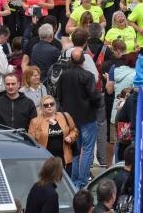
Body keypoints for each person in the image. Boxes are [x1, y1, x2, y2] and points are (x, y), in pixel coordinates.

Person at [55, 47, 101, 189]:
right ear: (83, 60)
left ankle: (74, 180)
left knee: (75, 150)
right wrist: (97, 104)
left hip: (70, 117)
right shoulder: (88, 76)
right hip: (87, 117)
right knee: (87, 149)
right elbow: (94, 96)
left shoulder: (64, 75)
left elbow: (59, 95)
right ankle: (81, 181)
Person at [28, 95, 78, 169]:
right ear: (42, 107)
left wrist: (70, 137)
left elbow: (74, 130)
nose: (49, 106)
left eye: (51, 104)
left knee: (64, 179)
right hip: (45, 160)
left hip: (64, 158)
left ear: (55, 105)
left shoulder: (65, 116)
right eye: (46, 105)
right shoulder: (35, 121)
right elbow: (31, 141)